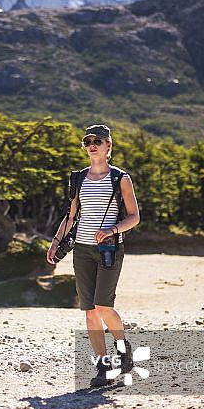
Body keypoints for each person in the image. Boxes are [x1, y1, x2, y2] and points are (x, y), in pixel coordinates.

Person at [47, 124, 140, 387]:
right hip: (82, 250)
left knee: (103, 306)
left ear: (109, 146)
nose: (92, 145)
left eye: (97, 140)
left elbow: (134, 217)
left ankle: (123, 348)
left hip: (110, 250)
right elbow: (71, 215)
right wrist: (56, 242)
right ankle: (103, 367)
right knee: (89, 311)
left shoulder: (120, 178)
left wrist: (113, 229)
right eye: (87, 141)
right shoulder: (78, 178)